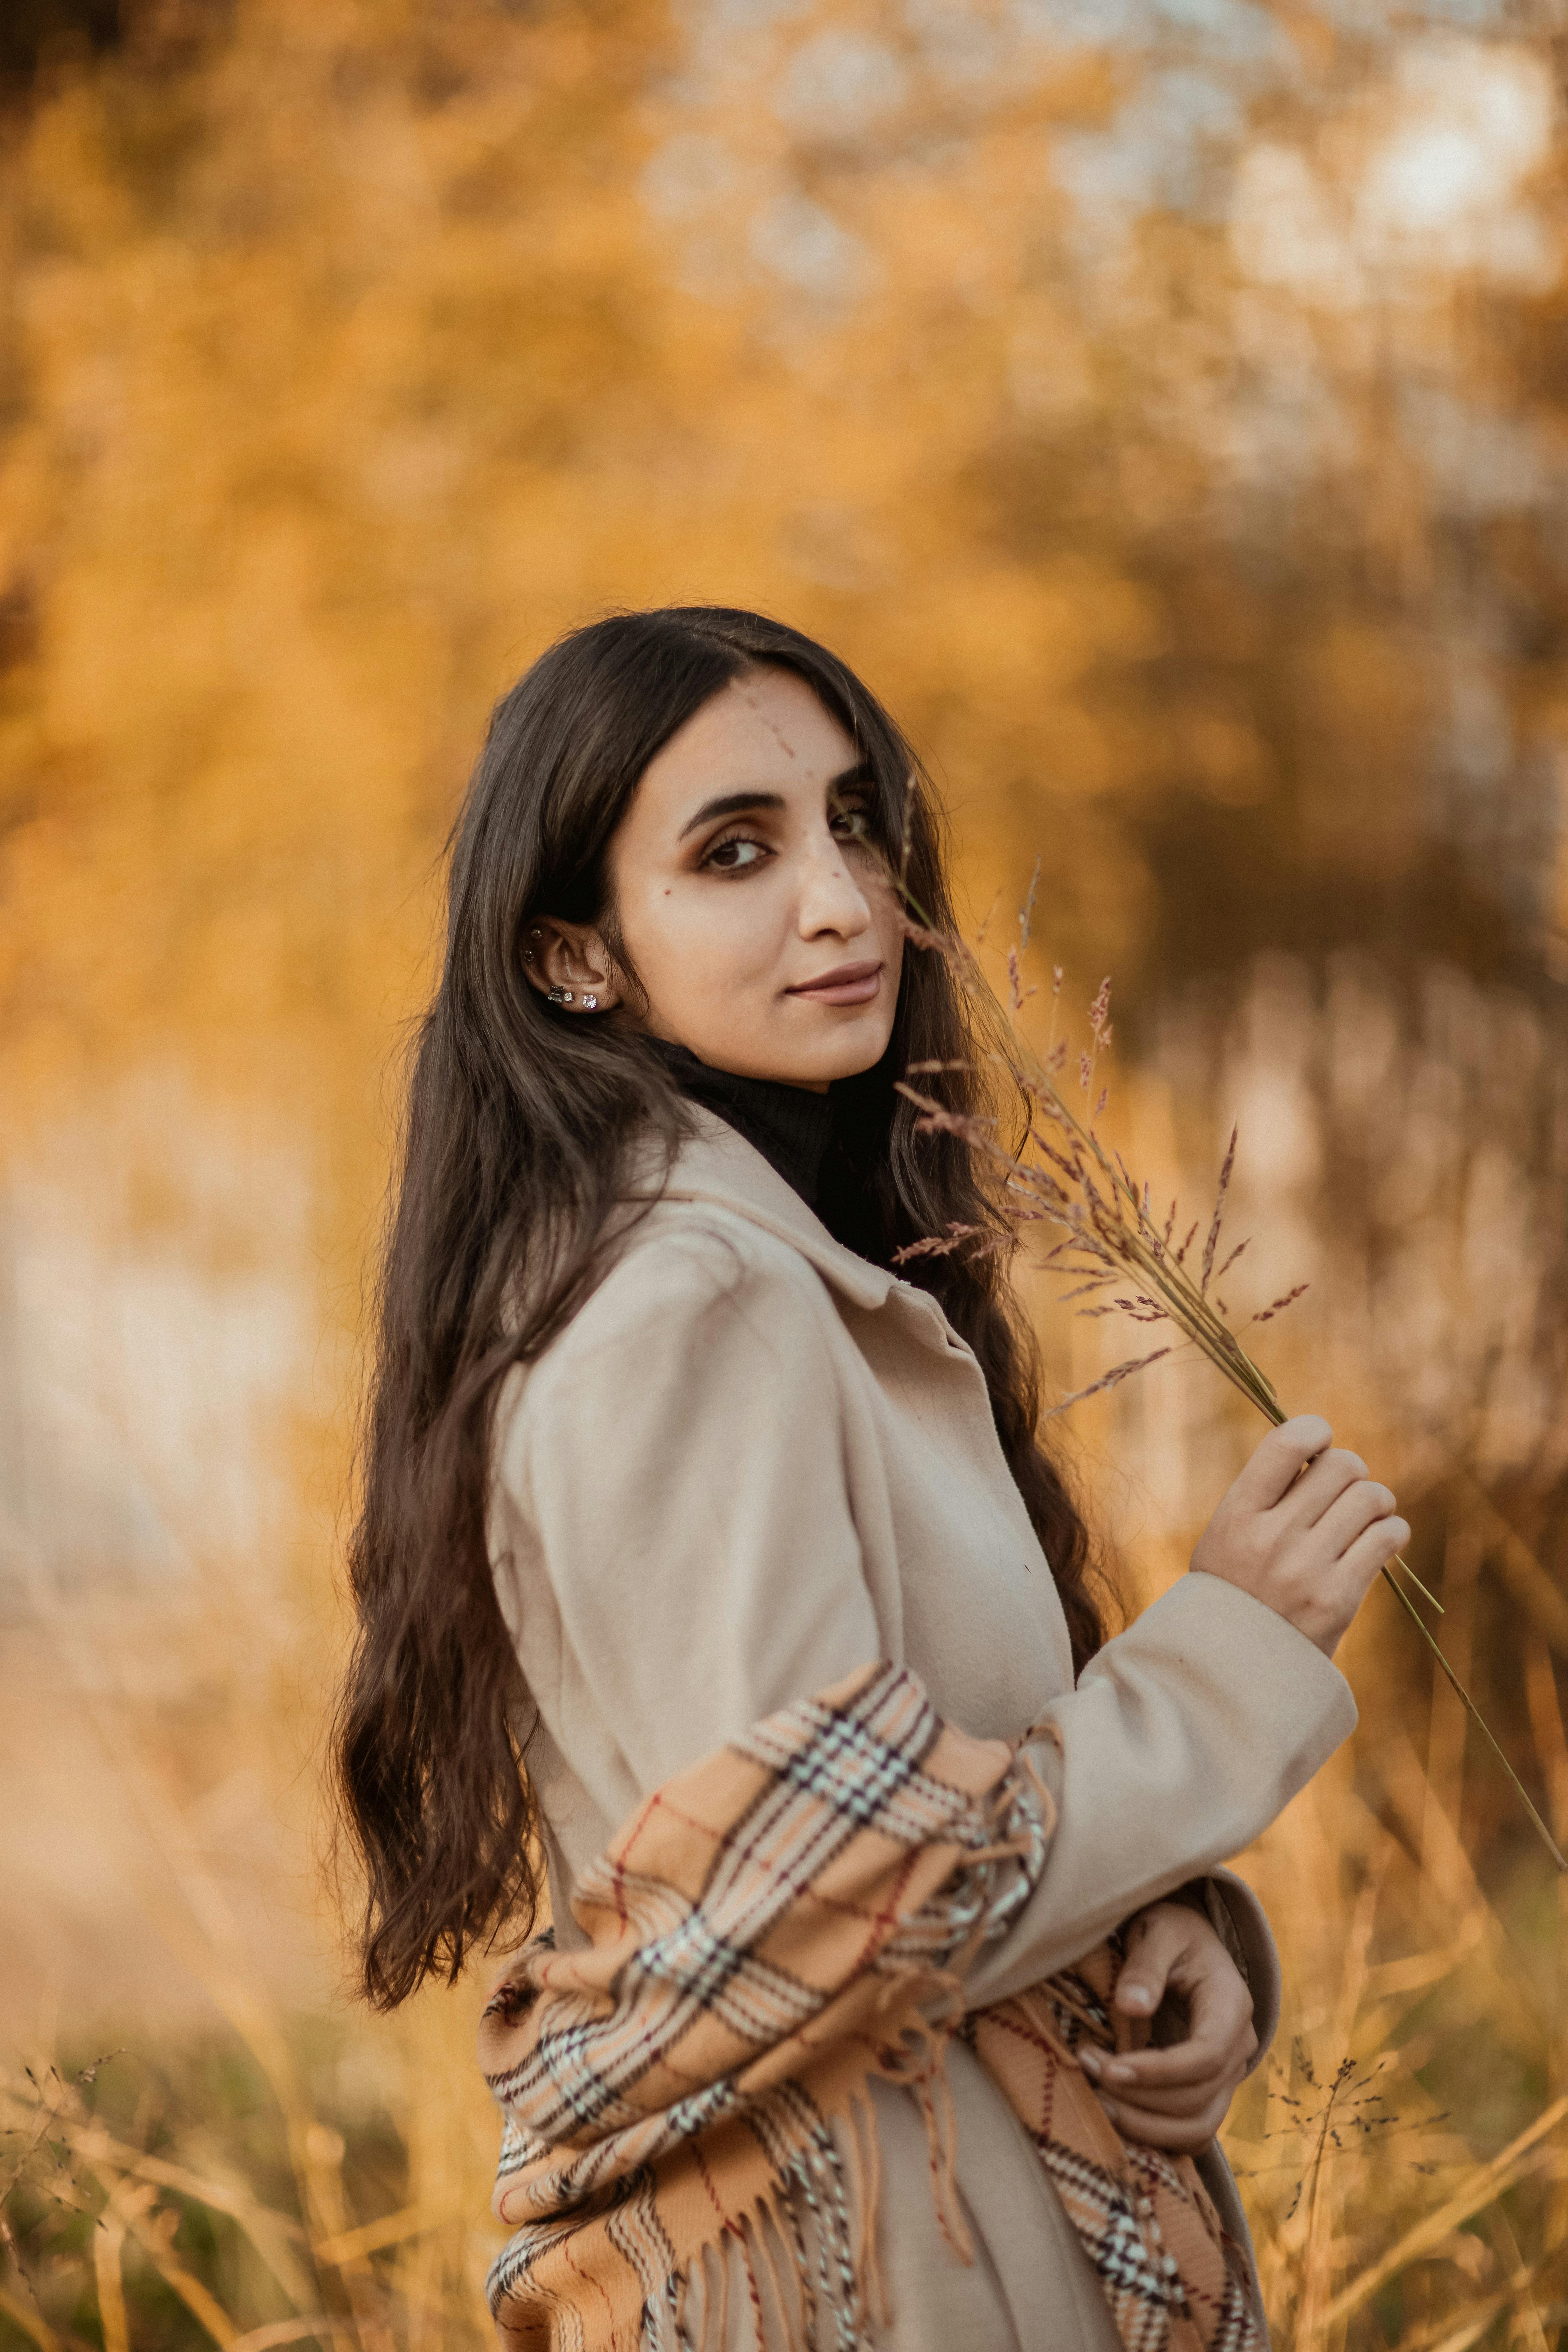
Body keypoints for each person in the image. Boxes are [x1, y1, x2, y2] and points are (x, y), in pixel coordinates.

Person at [335, 607, 1408, 2352]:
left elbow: (888, 1801)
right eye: (734, 852)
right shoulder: (687, 1302)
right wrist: (1229, 1659)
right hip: (870, 2273)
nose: (843, 900)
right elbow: (843, 1895)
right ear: (573, 958)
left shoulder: (778, 1276)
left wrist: (1159, 1924)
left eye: (855, 823)